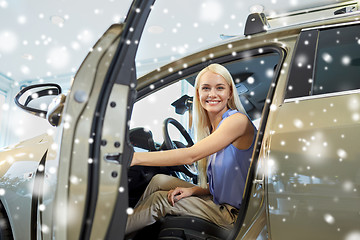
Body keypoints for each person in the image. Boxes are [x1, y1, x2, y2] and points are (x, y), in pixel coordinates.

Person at [126, 63, 257, 234]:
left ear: (230, 92)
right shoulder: (213, 129)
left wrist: (134, 158)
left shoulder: (236, 121)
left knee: (160, 200)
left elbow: (190, 156)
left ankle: (108, 235)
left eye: (220, 88)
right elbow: (225, 185)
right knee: (159, 180)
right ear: (198, 93)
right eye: (206, 88)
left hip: (235, 215)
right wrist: (193, 190)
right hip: (220, 202)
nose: (212, 94)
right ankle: (133, 231)